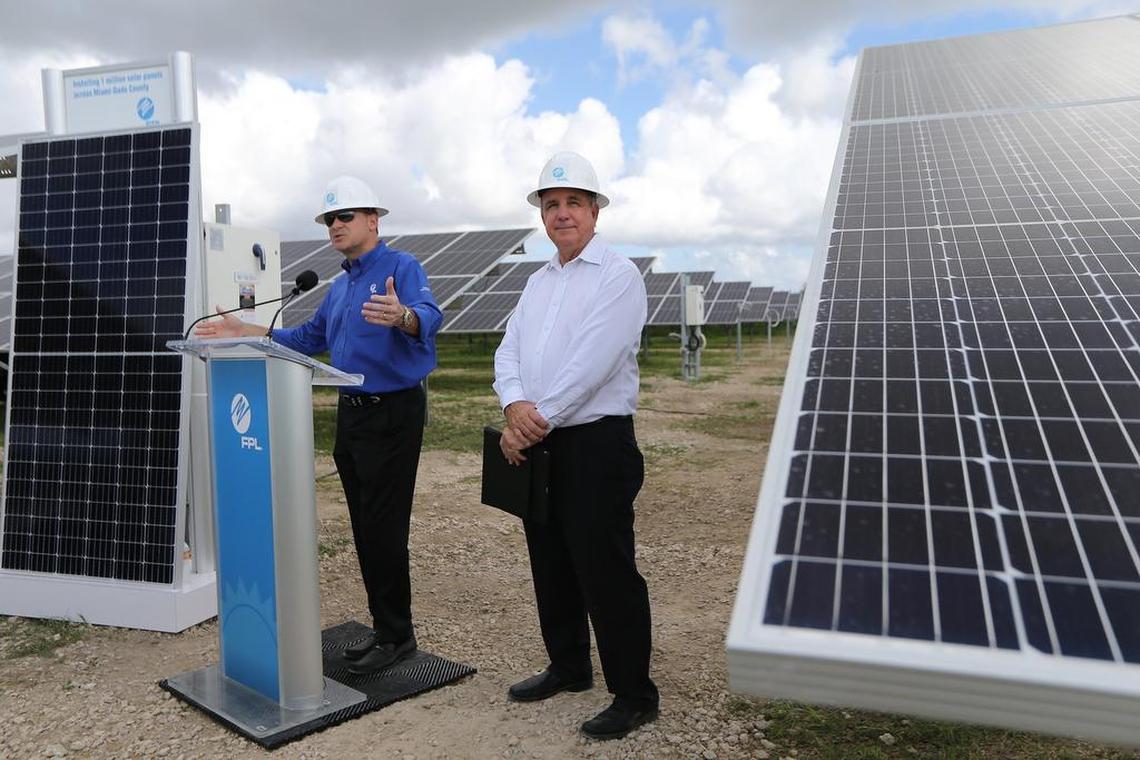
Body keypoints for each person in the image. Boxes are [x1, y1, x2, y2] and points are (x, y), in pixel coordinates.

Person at [194, 175, 442, 674]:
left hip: (392, 413)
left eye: (344, 216)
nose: (335, 225)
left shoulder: (402, 267)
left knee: (384, 529)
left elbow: (429, 316)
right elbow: (308, 339)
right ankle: (384, 628)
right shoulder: (340, 286)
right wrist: (247, 330)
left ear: (373, 220)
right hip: (351, 416)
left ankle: (398, 636)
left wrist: (404, 318)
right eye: (330, 218)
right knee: (365, 527)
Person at [493, 151, 659, 740]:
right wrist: (515, 407)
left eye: (573, 203)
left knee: (604, 567)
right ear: (543, 215)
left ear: (594, 211)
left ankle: (634, 694)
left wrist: (534, 419)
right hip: (540, 440)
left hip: (595, 442)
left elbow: (595, 360)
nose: (561, 214)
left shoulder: (617, 275)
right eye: (551, 204)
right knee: (550, 559)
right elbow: (507, 351)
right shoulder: (537, 283)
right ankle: (568, 667)